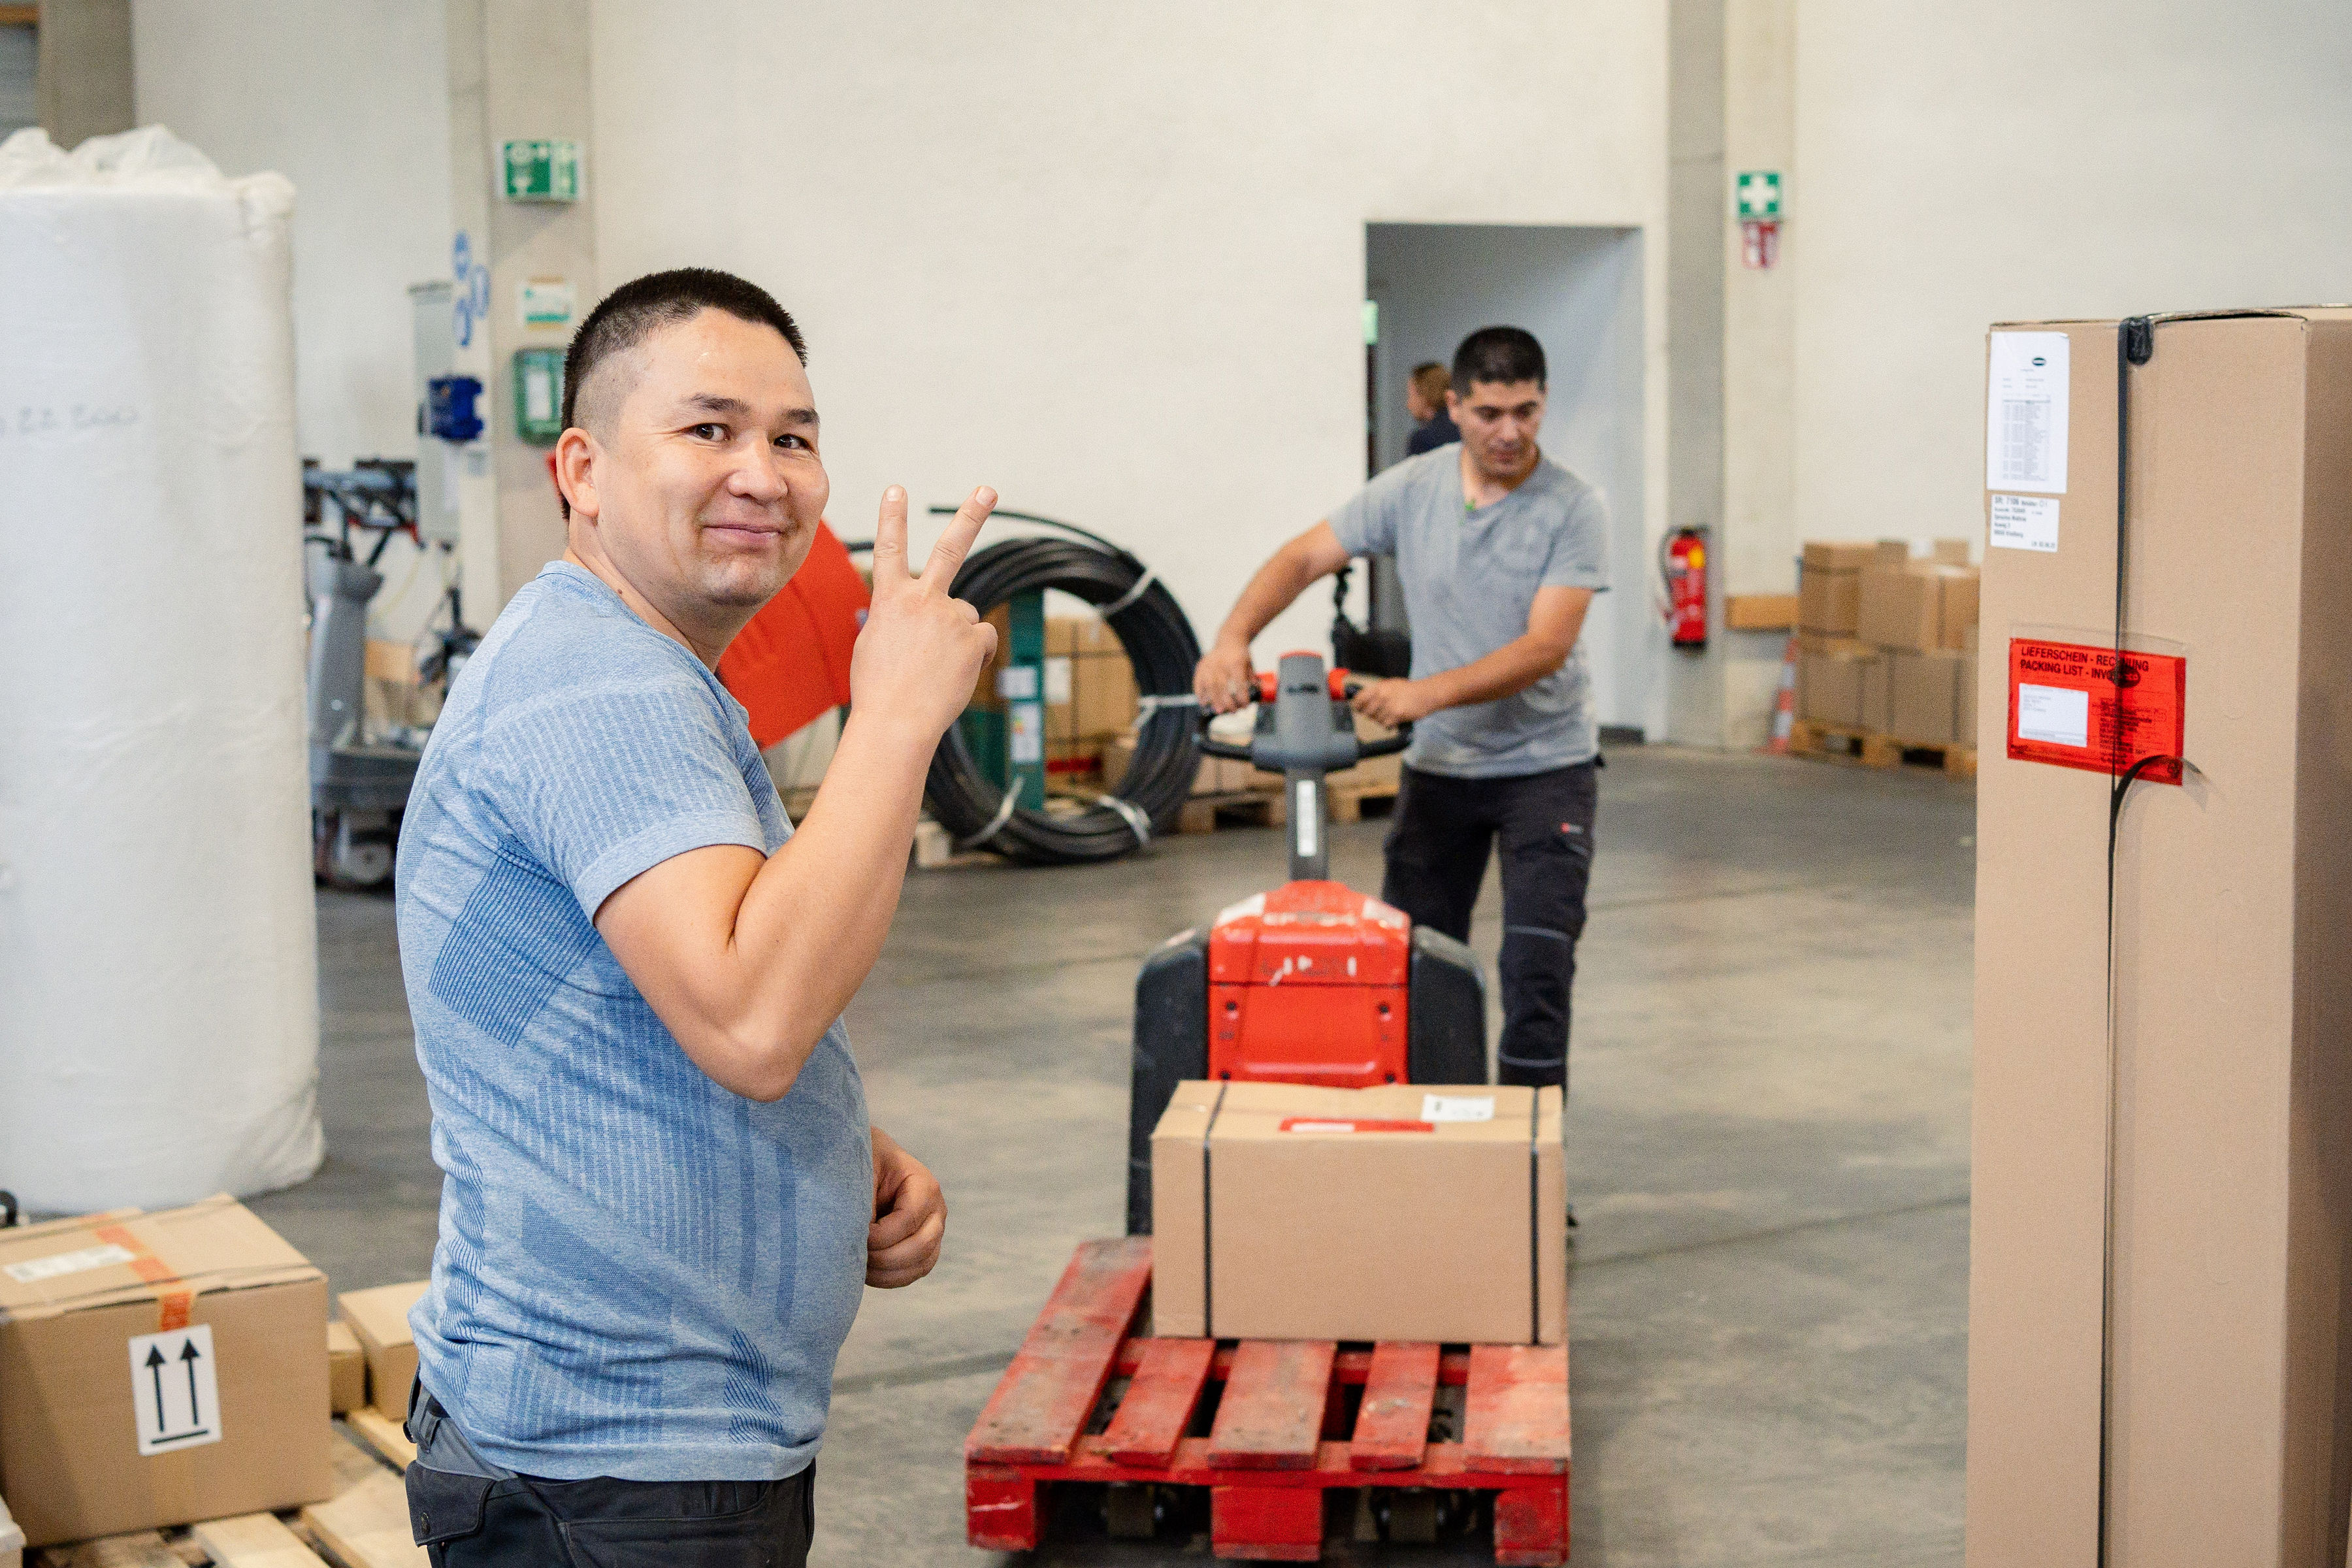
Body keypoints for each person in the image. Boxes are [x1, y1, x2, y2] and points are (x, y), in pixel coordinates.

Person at [393, 267, 997, 1563]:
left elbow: (661, 996)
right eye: (709, 429)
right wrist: (894, 713)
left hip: (659, 1454)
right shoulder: (598, 692)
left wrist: (839, 1149)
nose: (766, 473)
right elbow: (752, 1017)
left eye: (795, 436)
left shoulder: (638, 671)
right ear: (584, 470)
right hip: (611, 1471)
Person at [1195, 326, 1606, 1091]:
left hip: (1546, 773)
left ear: (1545, 403)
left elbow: (1545, 646)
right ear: (1454, 406)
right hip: (1441, 771)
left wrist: (1425, 693)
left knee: (1536, 974)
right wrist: (1231, 638)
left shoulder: (1573, 508)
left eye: (1525, 410)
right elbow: (1302, 557)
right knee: (1414, 969)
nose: (1509, 431)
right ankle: (1421, 1149)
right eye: (1489, 413)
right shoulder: (1413, 489)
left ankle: (1527, 1172)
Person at [1403, 360, 1459, 455]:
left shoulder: (1422, 440)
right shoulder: (1464, 428)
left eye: (1411, 395)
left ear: (1425, 395)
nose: (1408, 404)